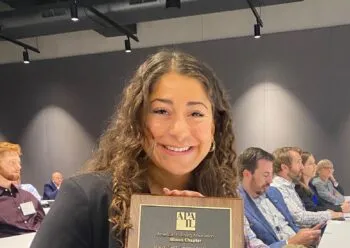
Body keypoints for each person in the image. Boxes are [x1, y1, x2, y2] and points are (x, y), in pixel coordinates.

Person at [31, 50, 238, 248]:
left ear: (215, 126)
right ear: (138, 120)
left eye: (196, 114)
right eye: (161, 111)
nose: (179, 131)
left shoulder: (222, 205)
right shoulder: (87, 200)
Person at [238, 147, 321, 248]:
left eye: (271, 174)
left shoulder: (274, 192)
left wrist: (308, 237)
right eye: (265, 175)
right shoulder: (237, 205)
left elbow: (291, 224)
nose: (270, 181)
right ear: (247, 174)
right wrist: (291, 242)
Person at [271, 147, 343, 227]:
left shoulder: (291, 186)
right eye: (299, 162)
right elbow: (300, 217)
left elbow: (335, 198)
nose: (302, 167)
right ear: (284, 168)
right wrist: (331, 213)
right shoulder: (278, 188)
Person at [0, 142, 45, 237]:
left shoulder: (28, 196)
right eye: (12, 162)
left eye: (19, 163)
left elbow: (44, 222)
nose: (19, 167)